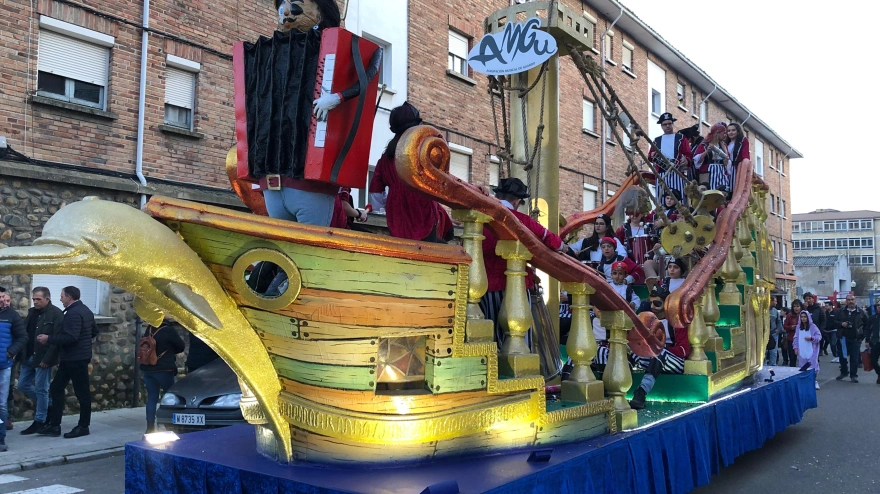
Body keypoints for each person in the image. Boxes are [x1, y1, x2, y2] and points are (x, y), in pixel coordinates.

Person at [479, 178, 573, 344]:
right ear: (517, 201)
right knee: (518, 335)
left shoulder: (482, 217)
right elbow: (551, 240)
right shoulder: (522, 220)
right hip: (515, 287)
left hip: (484, 285)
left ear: (497, 195)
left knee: (491, 335)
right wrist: (565, 248)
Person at [368, 102, 453, 243]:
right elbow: (441, 179)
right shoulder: (423, 153)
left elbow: (375, 191)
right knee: (425, 251)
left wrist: (388, 204)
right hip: (422, 208)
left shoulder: (385, 158)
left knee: (402, 250)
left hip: (396, 211)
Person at [37, 286, 95, 438]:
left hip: (76, 358)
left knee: (81, 392)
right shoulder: (85, 310)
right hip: (73, 357)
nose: (60, 299)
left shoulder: (73, 313)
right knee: (56, 387)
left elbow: (71, 337)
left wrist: (48, 338)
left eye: (62, 296)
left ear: (69, 297)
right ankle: (54, 425)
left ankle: (83, 426)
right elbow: (94, 331)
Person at [629, 287, 690, 410]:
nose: (652, 306)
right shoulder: (647, 319)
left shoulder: (675, 322)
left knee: (659, 353)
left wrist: (660, 346)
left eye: (657, 303)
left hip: (674, 361)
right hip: (652, 357)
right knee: (631, 350)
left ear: (666, 304)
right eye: (650, 302)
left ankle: (641, 392)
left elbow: (684, 350)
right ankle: (618, 388)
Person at [18, 287, 64, 436]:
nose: (35, 302)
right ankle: (50, 405)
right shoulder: (32, 312)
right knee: (22, 384)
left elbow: (56, 340)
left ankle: (40, 420)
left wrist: (47, 359)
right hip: (28, 356)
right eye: (34, 299)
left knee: (41, 389)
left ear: (47, 299)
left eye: (38, 299)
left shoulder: (56, 314)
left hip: (43, 358)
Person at [140, 320, 186, 433]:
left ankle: (150, 427)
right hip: (164, 370)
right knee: (171, 397)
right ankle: (170, 424)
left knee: (152, 398)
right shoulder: (168, 330)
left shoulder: (149, 329)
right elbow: (181, 346)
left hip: (148, 369)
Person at [0, 287, 26, 452]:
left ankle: (0, 439)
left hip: (3, 365)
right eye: (0, 297)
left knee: (1, 405)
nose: (3, 300)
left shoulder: (11, 315)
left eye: (3, 297)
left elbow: (23, 336)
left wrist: (10, 352)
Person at [648, 112, 693, 205]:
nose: (667, 126)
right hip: (661, 173)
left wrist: (686, 161)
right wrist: (652, 155)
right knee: (661, 199)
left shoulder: (681, 138)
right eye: (665, 124)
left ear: (673, 124)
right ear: (661, 126)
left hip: (677, 173)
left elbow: (689, 154)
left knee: (679, 199)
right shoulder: (657, 140)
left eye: (669, 123)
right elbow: (649, 157)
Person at [615, 209, 660, 289]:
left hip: (650, 262)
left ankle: (655, 289)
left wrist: (658, 245)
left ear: (642, 214)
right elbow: (617, 245)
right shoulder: (622, 229)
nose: (634, 217)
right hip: (629, 263)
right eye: (631, 214)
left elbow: (659, 241)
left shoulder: (650, 227)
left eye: (637, 215)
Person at [834, 294, 867, 383]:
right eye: (848, 300)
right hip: (843, 338)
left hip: (855, 338)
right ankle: (844, 372)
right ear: (846, 301)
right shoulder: (840, 311)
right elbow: (834, 321)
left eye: (852, 299)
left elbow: (866, 325)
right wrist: (841, 324)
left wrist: (862, 336)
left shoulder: (861, 312)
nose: (850, 301)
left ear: (855, 300)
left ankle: (853, 375)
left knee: (854, 358)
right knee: (842, 357)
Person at [693, 122, 730, 191]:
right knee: (709, 191)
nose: (725, 135)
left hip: (721, 172)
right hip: (708, 173)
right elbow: (697, 160)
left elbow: (727, 163)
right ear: (717, 133)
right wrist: (707, 151)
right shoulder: (705, 144)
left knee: (722, 191)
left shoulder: (724, 146)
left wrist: (726, 159)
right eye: (723, 133)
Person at [793, 311, 822, 390]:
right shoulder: (798, 327)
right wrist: (796, 347)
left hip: (811, 350)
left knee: (813, 366)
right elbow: (796, 338)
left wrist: (812, 338)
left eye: (805, 317)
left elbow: (819, 336)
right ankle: (805, 381)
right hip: (802, 350)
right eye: (801, 317)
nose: (803, 318)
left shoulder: (813, 327)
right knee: (803, 367)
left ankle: (814, 381)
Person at [724, 122, 750, 190]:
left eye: (733, 130)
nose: (730, 132)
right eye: (728, 131)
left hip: (737, 168)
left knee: (735, 188)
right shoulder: (725, 143)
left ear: (738, 131)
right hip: (726, 167)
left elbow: (745, 155)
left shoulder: (743, 141)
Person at [782, 300, 802, 367]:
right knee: (792, 358)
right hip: (792, 338)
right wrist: (791, 327)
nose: (796, 308)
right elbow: (785, 326)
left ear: (801, 307)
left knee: (803, 358)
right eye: (794, 306)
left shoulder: (804, 315)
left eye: (798, 306)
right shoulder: (789, 315)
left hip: (802, 339)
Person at [865, 301, 880, 384]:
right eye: (878, 305)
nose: (879, 307)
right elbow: (868, 330)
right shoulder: (872, 318)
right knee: (873, 361)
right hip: (875, 342)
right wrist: (867, 340)